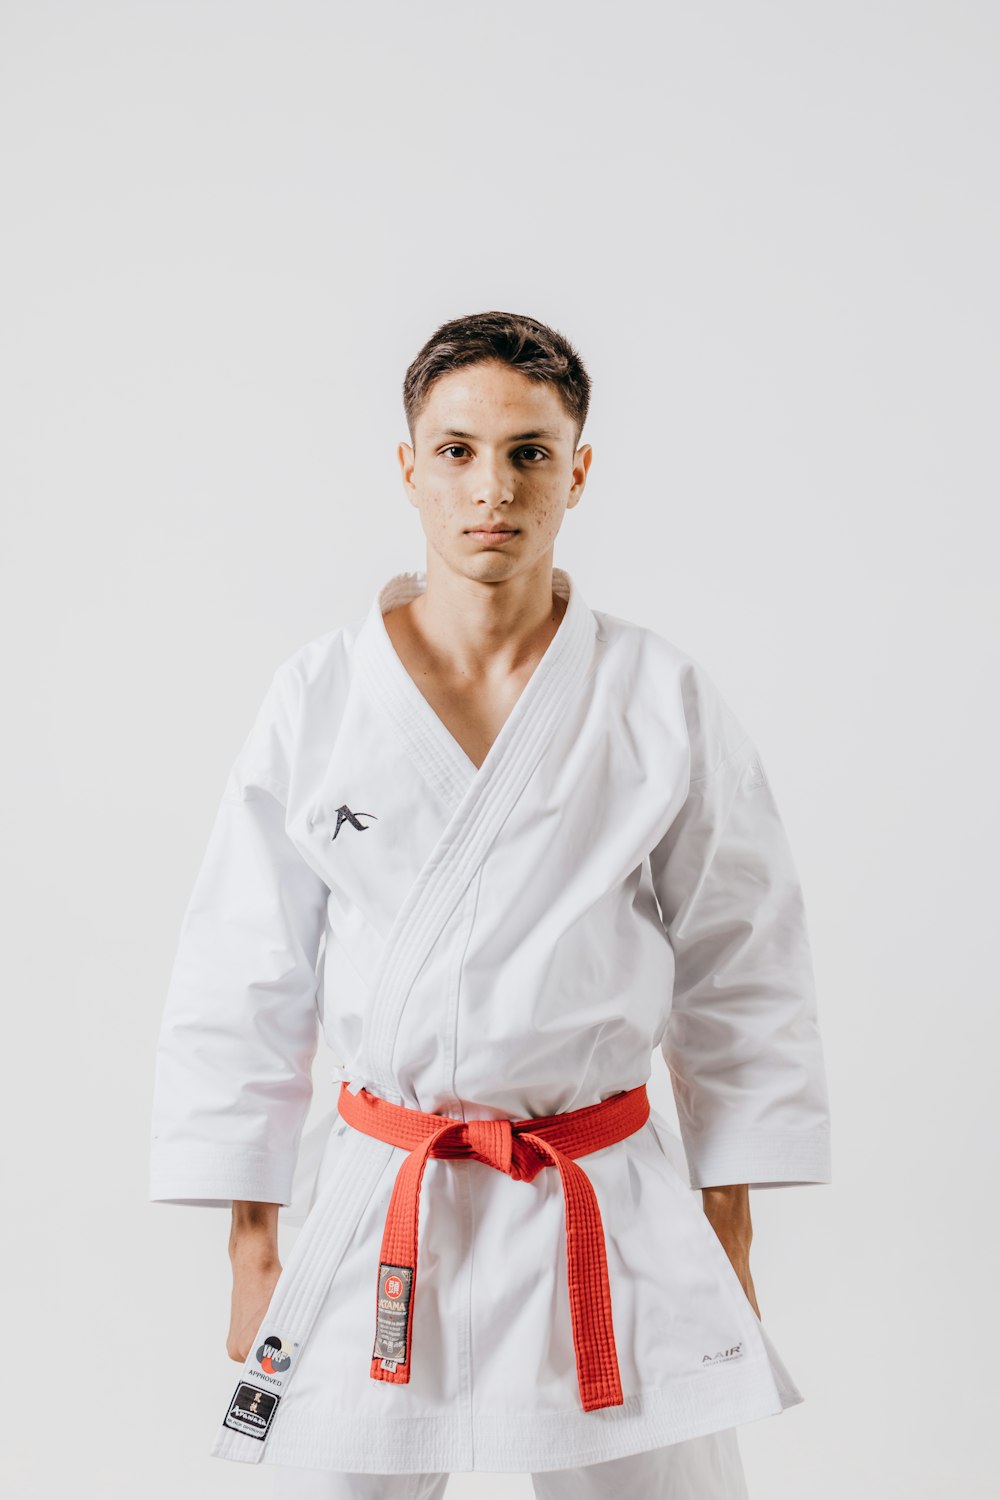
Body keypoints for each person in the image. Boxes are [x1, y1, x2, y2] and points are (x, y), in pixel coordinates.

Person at [149, 310, 833, 1498]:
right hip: (382, 1188)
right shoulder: (320, 695)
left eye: (528, 452)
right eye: (456, 450)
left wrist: (729, 1214)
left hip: (600, 1189)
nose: (492, 489)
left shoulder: (653, 694)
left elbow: (741, 961)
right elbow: (243, 968)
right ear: (407, 466)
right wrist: (251, 1237)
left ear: (577, 468)